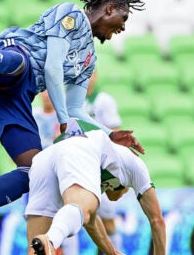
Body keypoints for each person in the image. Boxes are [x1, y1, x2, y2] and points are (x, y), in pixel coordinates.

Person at [0, 0, 147, 250]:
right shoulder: (71, 14)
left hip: (11, 99)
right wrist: (63, 120)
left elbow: (77, 109)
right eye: (123, 18)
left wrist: (110, 134)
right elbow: (52, 67)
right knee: (23, 63)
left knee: (33, 169)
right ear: (110, 8)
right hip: (12, 57)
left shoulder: (88, 59)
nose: (123, 27)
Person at [26, 119, 166, 255]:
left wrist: (113, 253)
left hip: (46, 157)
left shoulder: (94, 176)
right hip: (79, 147)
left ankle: (46, 241)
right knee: (79, 208)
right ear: (124, 186)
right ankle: (51, 239)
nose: (117, 197)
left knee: (35, 247)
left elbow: (91, 221)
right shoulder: (136, 168)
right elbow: (157, 220)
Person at [85, 71, 123, 254]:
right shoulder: (69, 100)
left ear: (96, 76)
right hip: (80, 168)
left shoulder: (103, 101)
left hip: (101, 169)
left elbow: (115, 134)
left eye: (90, 74)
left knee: (107, 220)